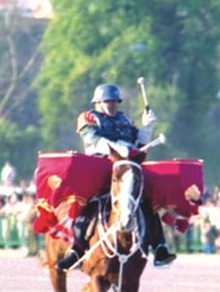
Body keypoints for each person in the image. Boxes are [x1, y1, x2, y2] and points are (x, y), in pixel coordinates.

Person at [57, 82, 176, 270]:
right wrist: (115, 147)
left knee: (146, 199)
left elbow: (138, 141)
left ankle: (159, 247)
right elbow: (92, 139)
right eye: (107, 102)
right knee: (86, 202)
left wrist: (147, 127)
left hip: (125, 164)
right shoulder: (88, 117)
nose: (111, 106)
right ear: (97, 102)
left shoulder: (125, 119)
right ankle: (77, 249)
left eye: (114, 102)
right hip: (100, 165)